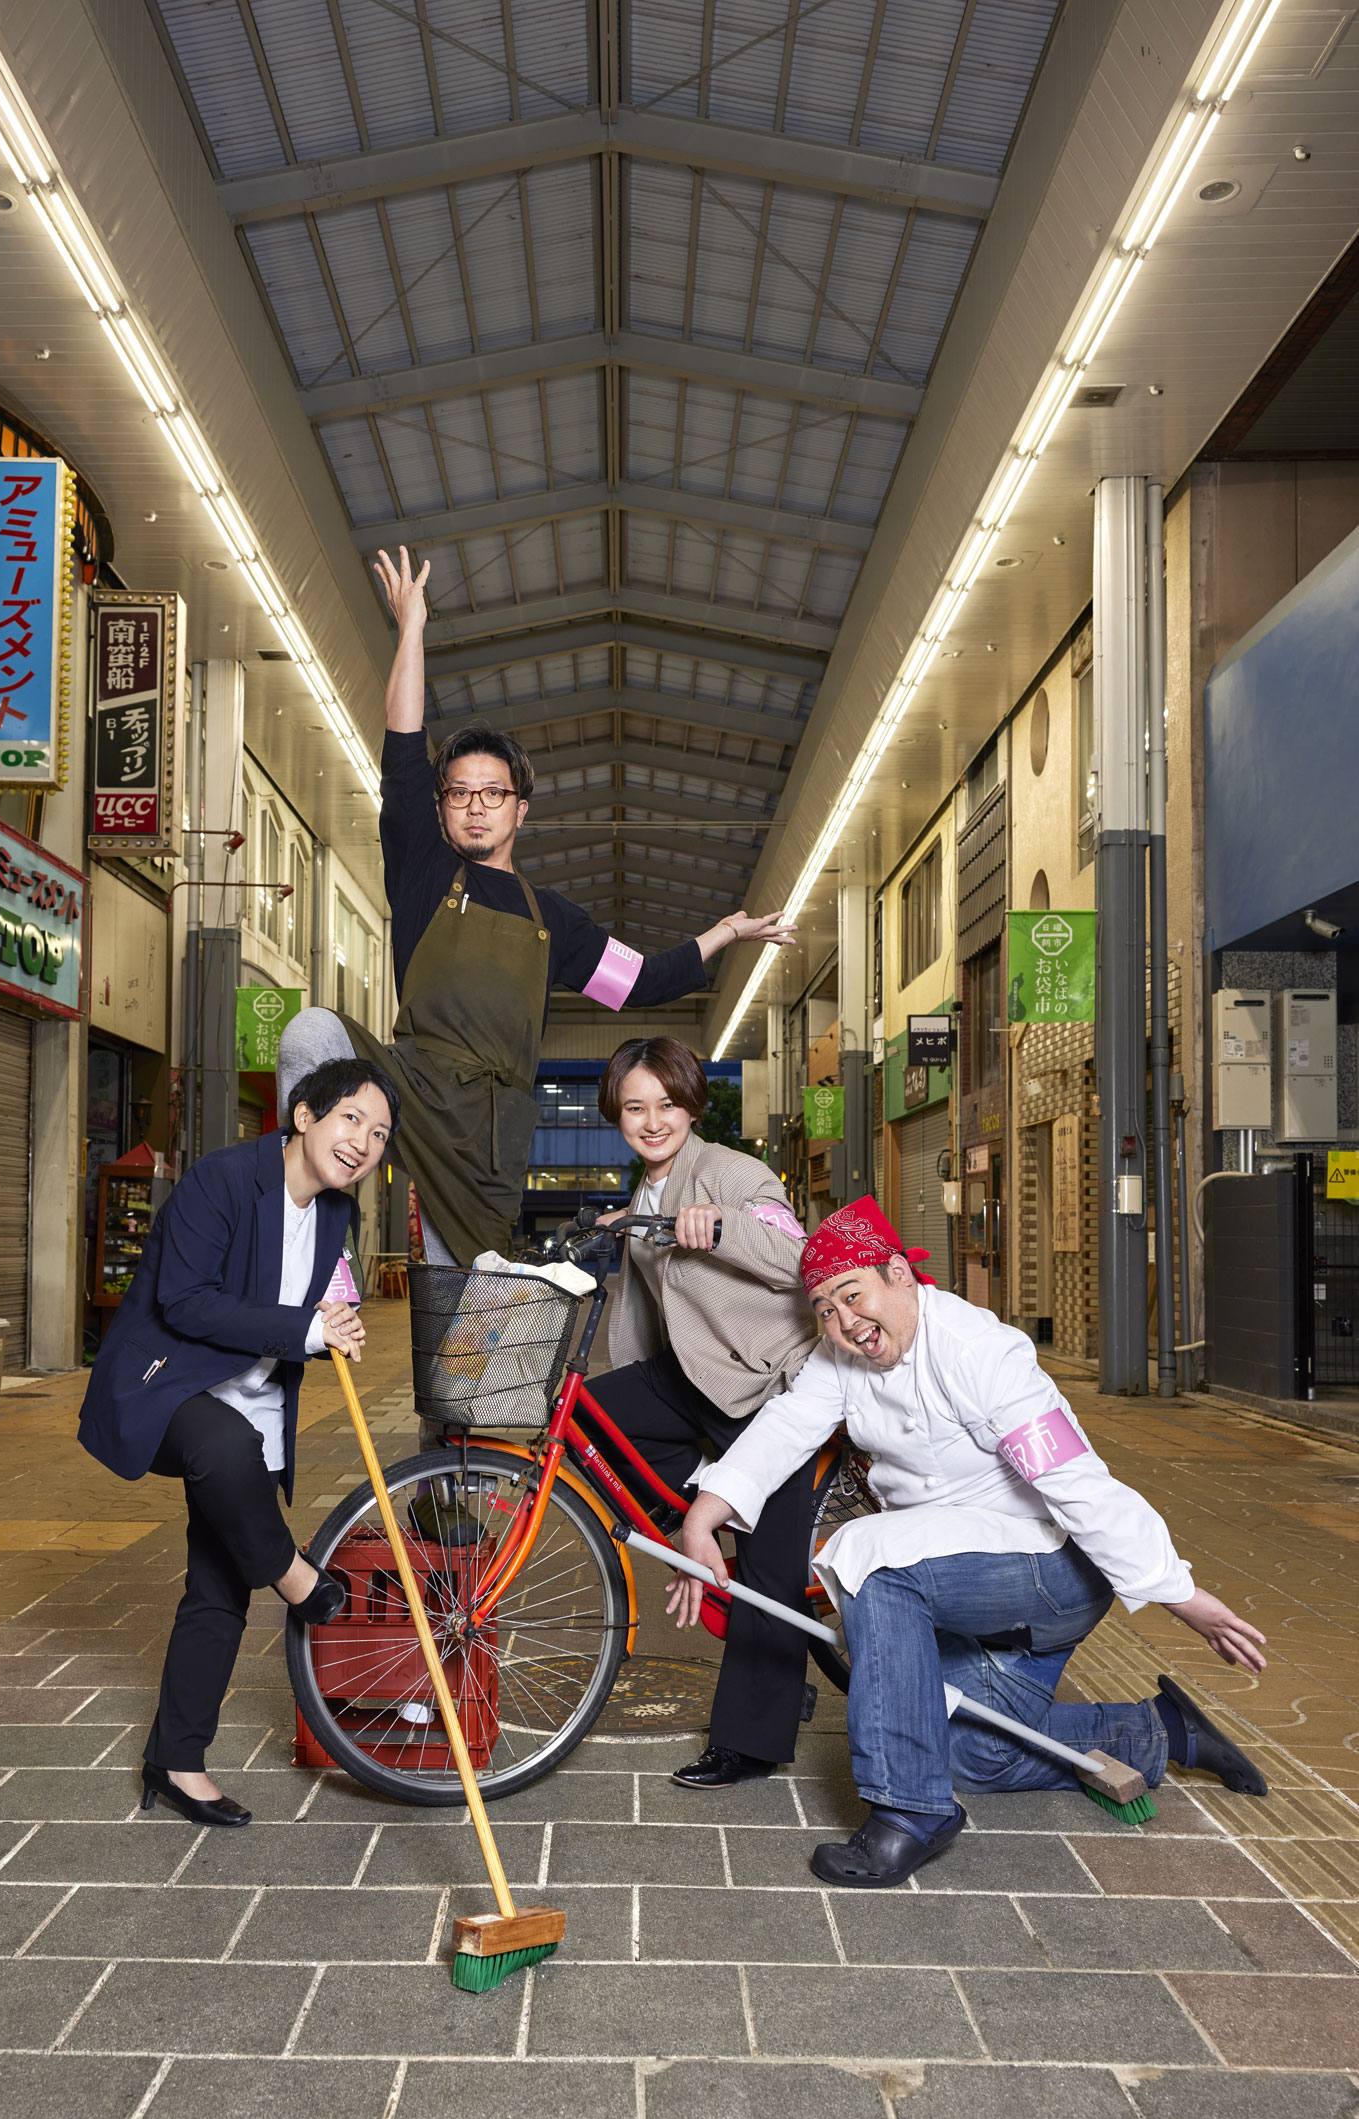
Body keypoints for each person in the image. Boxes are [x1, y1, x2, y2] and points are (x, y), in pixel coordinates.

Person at [677, 1196, 1268, 1888]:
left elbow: (1075, 1482)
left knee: (868, 1559)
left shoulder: (978, 1350)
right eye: (824, 1311)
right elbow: (783, 1428)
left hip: (1049, 1568)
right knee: (962, 1754)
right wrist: (700, 1519)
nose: (844, 1324)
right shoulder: (839, 1360)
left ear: (899, 1273)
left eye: (852, 1295)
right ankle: (1158, 1730)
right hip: (957, 1570)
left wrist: (1178, 1592)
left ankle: (908, 1813)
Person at [272, 545, 796, 1270]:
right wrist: (411, 629)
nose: (475, 808)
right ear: (441, 806)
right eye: (459, 792)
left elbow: (641, 981)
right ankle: (305, 1234)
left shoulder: (553, 921)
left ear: (521, 809)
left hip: (491, 1129)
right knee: (311, 1030)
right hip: (411, 1081)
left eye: (493, 794)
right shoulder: (425, 872)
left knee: (467, 1309)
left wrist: (723, 933)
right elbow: (399, 749)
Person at [78, 1059, 400, 1828]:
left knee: (218, 1586)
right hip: (171, 1386)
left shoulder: (334, 1216)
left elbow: (320, 1299)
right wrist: (303, 1329)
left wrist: (335, 1319)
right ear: (303, 1116)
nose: (363, 1141)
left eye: (380, 1133)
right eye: (351, 1118)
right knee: (223, 1445)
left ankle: (175, 1760)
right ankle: (293, 1575)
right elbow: (185, 1302)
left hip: (253, 1404)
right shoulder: (222, 1181)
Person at [579, 1036, 818, 1788]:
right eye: (633, 1107)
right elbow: (654, 1311)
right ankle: (702, 1526)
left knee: (770, 1574)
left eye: (667, 1104)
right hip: (695, 1379)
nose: (652, 1121)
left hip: (768, 1387)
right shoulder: (647, 1188)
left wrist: (719, 1224)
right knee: (589, 1415)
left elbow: (797, 1254)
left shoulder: (731, 1172)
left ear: (690, 1105)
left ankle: (748, 1743)